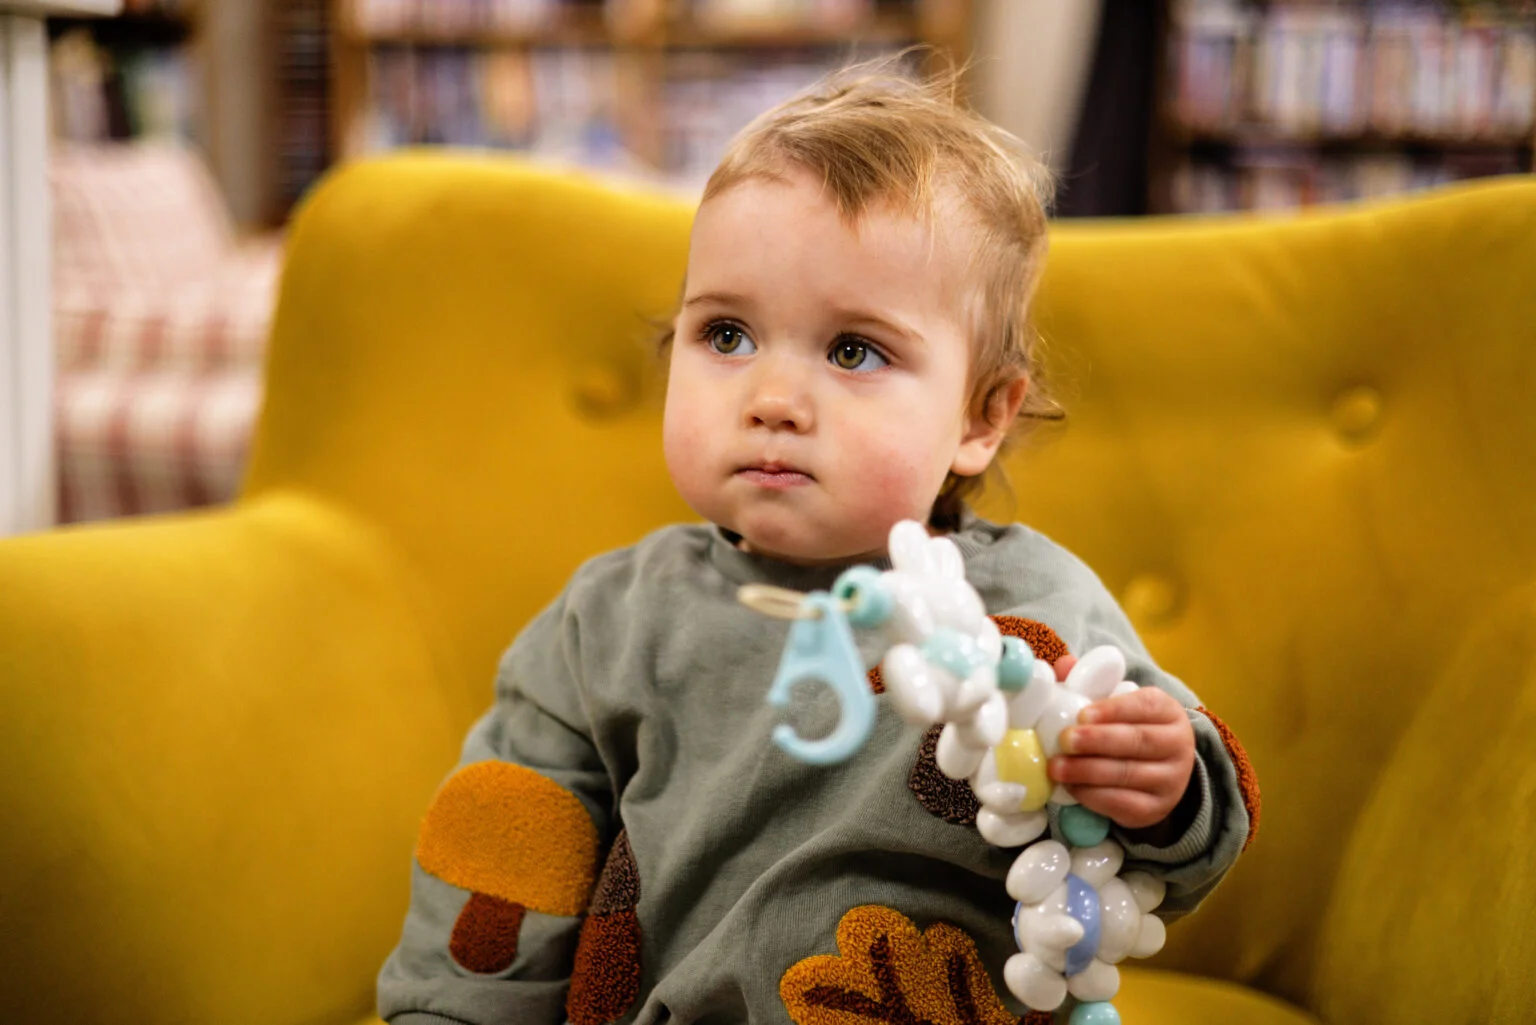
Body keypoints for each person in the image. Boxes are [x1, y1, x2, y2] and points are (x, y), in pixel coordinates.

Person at [378, 57, 1257, 1025]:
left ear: (981, 415)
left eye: (853, 351)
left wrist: (1161, 784)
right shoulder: (608, 621)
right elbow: (509, 849)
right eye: (726, 335)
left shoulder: (1036, 605)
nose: (774, 400)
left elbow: (1184, 840)